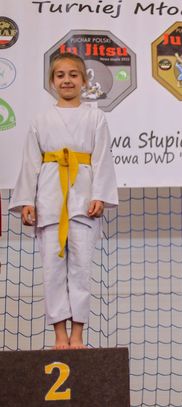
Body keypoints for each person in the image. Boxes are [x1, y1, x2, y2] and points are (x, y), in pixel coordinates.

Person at [9, 52, 118, 349]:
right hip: (49, 198)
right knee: (52, 270)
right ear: (52, 82)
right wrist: (27, 201)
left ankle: (78, 334)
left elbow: (102, 158)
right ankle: (59, 334)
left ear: (84, 81)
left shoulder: (95, 117)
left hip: (83, 201)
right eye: (60, 75)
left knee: (81, 269)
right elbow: (31, 162)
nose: (67, 80)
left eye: (73, 75)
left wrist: (99, 195)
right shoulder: (40, 120)